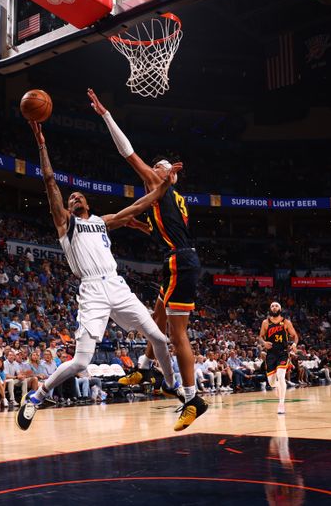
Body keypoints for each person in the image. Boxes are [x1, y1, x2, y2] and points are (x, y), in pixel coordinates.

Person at [16, 121, 184, 432]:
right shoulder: (66, 223)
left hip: (117, 284)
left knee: (160, 339)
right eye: (71, 198)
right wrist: (42, 144)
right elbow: (50, 181)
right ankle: (37, 396)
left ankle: (172, 386)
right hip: (92, 290)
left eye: (79, 196)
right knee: (81, 362)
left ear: (88, 203)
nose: (74, 198)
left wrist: (163, 188)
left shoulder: (101, 220)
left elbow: (136, 207)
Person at [89, 89, 207, 430]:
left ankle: (191, 397)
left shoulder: (161, 185)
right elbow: (161, 227)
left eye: (158, 168)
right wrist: (140, 224)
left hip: (179, 262)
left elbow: (128, 154)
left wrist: (106, 115)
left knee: (176, 333)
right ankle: (144, 367)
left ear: (167, 176)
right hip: (178, 260)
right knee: (156, 313)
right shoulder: (173, 200)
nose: (151, 171)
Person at [259, 302, 299, 414]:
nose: (274, 307)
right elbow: (260, 337)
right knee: (272, 383)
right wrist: (263, 342)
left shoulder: (286, 322)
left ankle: (281, 404)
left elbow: (295, 336)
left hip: (283, 352)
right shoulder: (265, 323)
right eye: (272, 306)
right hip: (271, 354)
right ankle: (279, 386)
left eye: (276, 306)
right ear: (270, 309)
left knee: (281, 376)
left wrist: (294, 344)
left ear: (280, 309)